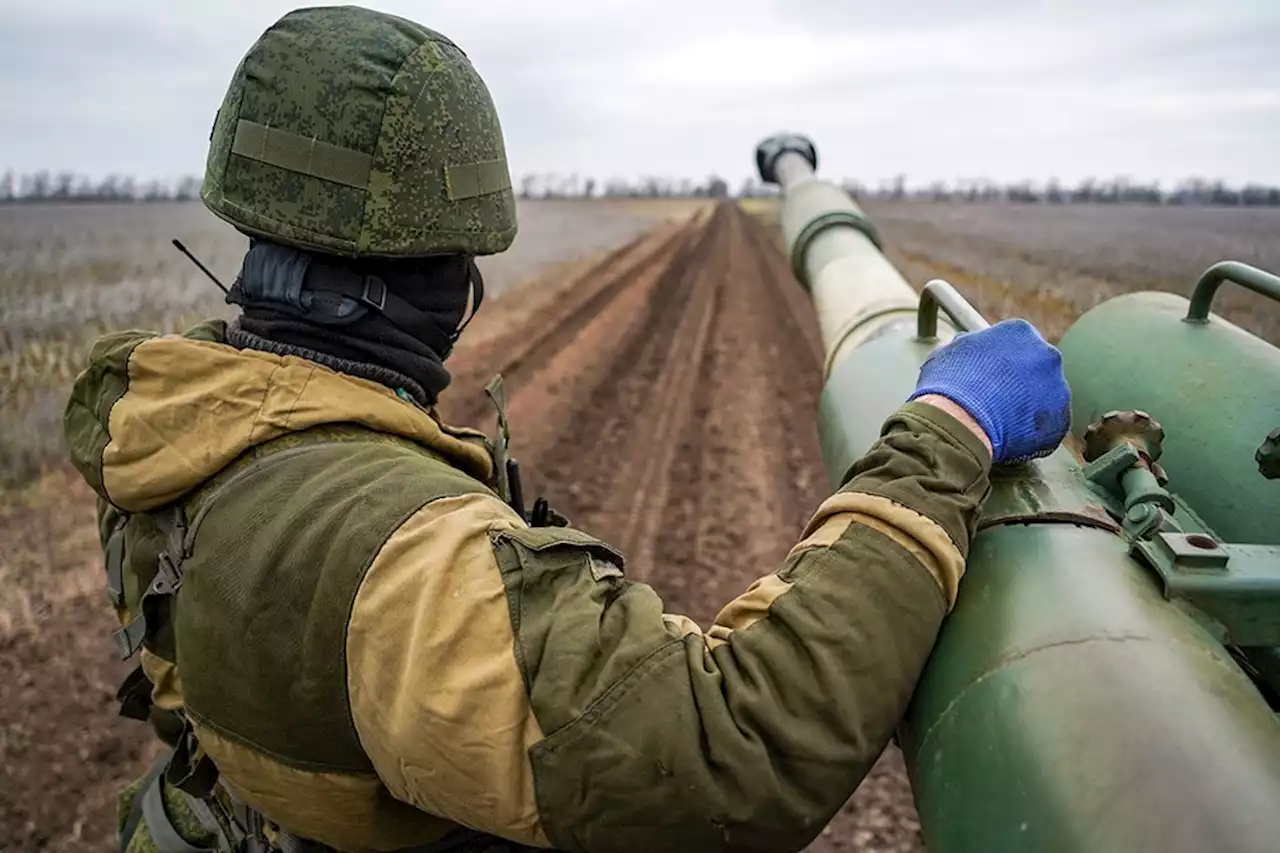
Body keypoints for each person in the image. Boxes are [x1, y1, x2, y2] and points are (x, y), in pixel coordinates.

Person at [64, 6, 1070, 853]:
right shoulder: (402, 556)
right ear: (452, 274)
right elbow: (732, 749)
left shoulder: (178, 420)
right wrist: (944, 427)